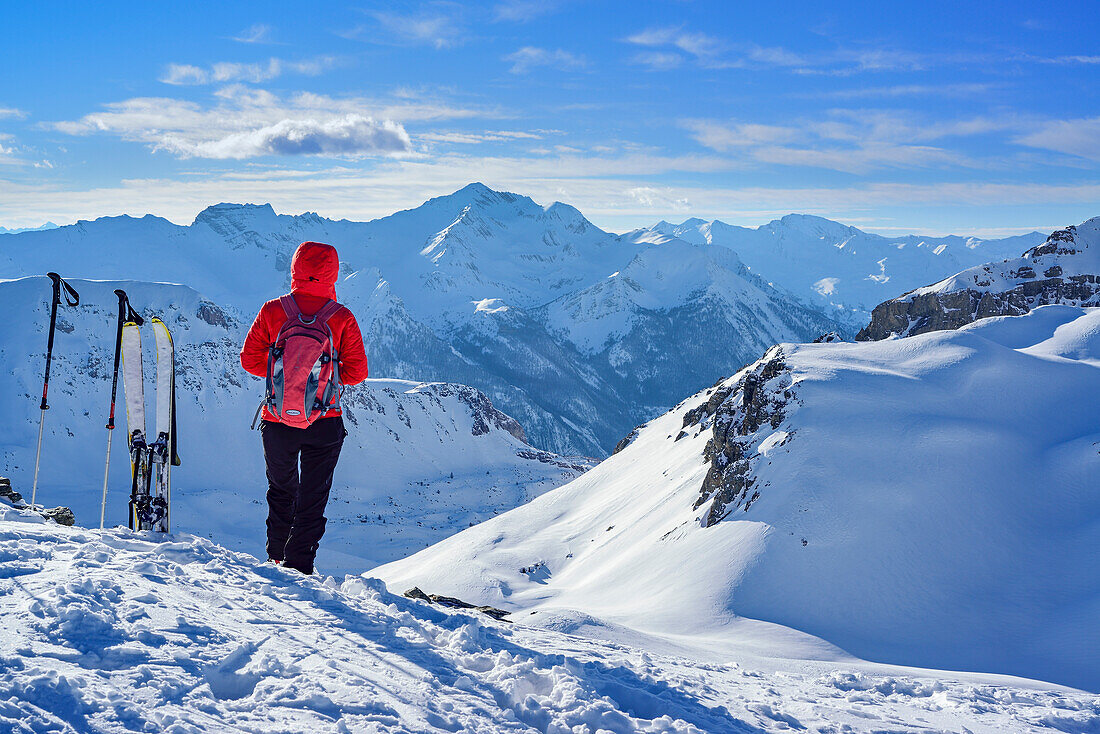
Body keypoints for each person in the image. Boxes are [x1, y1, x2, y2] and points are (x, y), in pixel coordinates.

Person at [240, 241, 368, 574]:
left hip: (277, 420)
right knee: (312, 499)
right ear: (333, 272)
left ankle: (275, 559)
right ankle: (300, 567)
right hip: (325, 422)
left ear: (295, 267)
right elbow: (356, 373)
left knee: (281, 490)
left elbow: (250, 361)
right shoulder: (341, 317)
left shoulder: (273, 310)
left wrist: (286, 374)